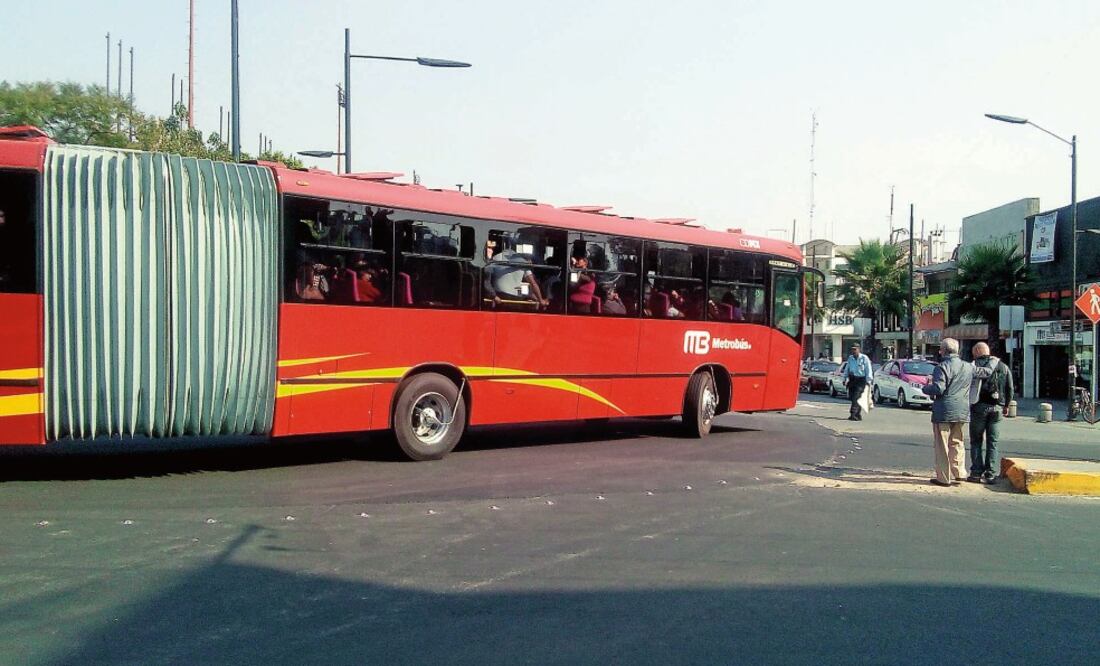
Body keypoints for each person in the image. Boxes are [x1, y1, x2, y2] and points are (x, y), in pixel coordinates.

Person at [921, 338, 990, 487]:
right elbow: (986, 372)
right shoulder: (968, 366)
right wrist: (994, 361)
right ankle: (960, 473)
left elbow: (938, 389)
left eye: (940, 349)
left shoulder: (942, 367)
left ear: (944, 351)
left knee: (942, 445)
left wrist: (925, 387)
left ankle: (944, 478)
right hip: (962, 411)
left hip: (944, 411)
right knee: (957, 442)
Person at [968, 341, 1013, 484]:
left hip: (978, 406)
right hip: (997, 408)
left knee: (976, 440)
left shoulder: (973, 365)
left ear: (976, 352)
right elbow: (1010, 387)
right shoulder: (1003, 366)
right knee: (992, 442)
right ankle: (990, 473)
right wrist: (1006, 405)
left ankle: (976, 473)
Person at [843, 343, 874, 421]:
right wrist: (845, 378)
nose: (853, 351)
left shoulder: (864, 358)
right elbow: (847, 369)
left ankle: (853, 414)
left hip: (861, 380)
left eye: (855, 349)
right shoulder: (850, 358)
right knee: (853, 397)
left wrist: (868, 381)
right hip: (852, 379)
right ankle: (858, 414)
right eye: (852, 349)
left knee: (856, 397)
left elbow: (868, 370)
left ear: (859, 349)